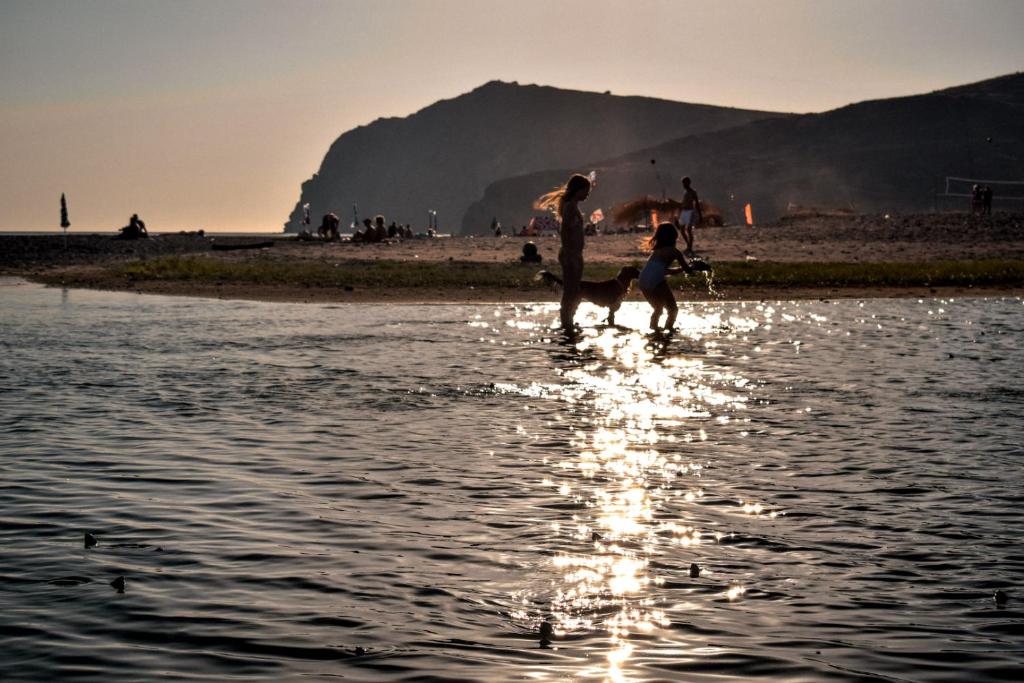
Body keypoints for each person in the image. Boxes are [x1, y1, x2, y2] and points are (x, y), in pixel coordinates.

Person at [534, 173, 592, 332]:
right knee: (571, 291)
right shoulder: (571, 207)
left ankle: (568, 320)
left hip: (573, 253)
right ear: (577, 190)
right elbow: (565, 231)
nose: (588, 194)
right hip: (571, 254)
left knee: (573, 290)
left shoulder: (572, 205)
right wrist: (570, 254)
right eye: (586, 191)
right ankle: (566, 322)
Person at [639, 222, 694, 332]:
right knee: (673, 309)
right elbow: (689, 270)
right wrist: (697, 266)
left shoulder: (656, 252)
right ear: (674, 236)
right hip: (657, 283)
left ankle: (654, 328)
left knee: (658, 309)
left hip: (643, 281)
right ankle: (669, 329)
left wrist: (680, 269)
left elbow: (660, 271)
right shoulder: (675, 252)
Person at [676, 176, 701, 255]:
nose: (683, 185)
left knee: (689, 230)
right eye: (683, 183)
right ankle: (688, 245)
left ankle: (689, 247)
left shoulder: (693, 192)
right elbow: (683, 203)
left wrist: (700, 215)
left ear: (688, 183)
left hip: (690, 212)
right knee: (682, 230)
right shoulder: (685, 192)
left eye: (684, 183)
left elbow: (696, 203)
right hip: (684, 211)